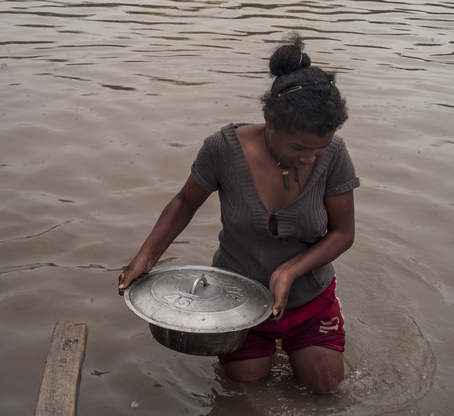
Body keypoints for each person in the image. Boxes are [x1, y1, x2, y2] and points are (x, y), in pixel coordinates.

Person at [117, 32, 359, 395]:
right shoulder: (223, 149)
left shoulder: (334, 154)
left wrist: (289, 271)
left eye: (319, 149)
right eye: (298, 147)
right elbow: (185, 202)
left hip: (310, 298)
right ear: (269, 121)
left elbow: (343, 232)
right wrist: (145, 258)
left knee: (326, 393)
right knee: (247, 393)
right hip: (237, 301)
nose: (310, 158)